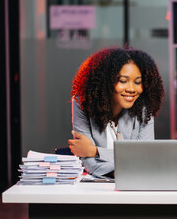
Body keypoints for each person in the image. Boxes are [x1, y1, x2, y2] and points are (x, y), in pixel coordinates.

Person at [68, 47, 165, 178]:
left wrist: (95, 151)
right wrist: (128, 167)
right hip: (98, 191)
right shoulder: (82, 103)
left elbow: (146, 158)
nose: (131, 89)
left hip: (136, 188)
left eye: (138, 82)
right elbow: (88, 161)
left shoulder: (143, 107)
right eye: (123, 81)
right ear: (105, 81)